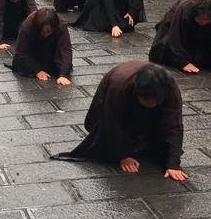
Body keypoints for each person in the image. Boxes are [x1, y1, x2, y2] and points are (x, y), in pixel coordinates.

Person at [52, 61, 186, 180]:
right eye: (146, 100)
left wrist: (173, 164)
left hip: (150, 96)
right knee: (103, 137)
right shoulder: (118, 86)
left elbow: (174, 125)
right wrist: (122, 155)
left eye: (154, 102)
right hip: (115, 91)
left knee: (159, 142)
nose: (151, 104)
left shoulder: (169, 88)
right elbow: (111, 123)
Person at [148, 0, 211, 79]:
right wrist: (182, 62)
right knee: (163, 50)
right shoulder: (184, 10)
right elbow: (175, 37)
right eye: (201, 20)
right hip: (176, 29)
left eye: (207, 20)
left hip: (204, 35)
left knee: (206, 59)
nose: (203, 22)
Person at [10, 8, 73, 85]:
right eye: (43, 32)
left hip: (50, 55)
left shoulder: (61, 25)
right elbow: (21, 52)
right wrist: (36, 71)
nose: (45, 35)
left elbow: (65, 50)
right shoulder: (27, 25)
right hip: (32, 55)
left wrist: (63, 74)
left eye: (48, 31)